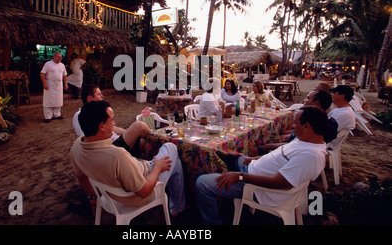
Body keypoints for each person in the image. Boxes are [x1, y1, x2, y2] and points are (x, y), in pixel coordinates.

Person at [195, 106, 328, 225]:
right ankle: (218, 194)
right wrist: (257, 158)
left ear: (307, 126)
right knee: (224, 154)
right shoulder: (307, 141)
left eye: (296, 123)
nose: (293, 126)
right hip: (252, 167)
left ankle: (211, 221)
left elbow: (279, 183)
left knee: (202, 183)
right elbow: (283, 154)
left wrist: (240, 176)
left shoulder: (310, 156)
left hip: (258, 189)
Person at [70, 100, 186, 217]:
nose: (114, 123)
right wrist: (157, 168)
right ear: (102, 126)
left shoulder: (77, 147)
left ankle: (178, 206)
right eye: (112, 120)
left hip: (112, 194)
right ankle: (178, 206)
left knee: (175, 162)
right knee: (170, 147)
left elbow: (81, 176)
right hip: (138, 194)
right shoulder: (117, 156)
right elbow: (144, 191)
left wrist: (92, 197)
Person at [72, 84, 147, 158]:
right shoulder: (81, 115)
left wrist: (129, 133)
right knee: (139, 126)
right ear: (90, 98)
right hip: (111, 147)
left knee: (144, 141)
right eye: (99, 94)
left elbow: (114, 128)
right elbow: (88, 139)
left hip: (117, 140)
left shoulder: (97, 111)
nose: (102, 96)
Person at [260, 89, 339, 153]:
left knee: (265, 142)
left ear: (316, 102)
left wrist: (269, 146)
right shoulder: (326, 120)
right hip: (295, 147)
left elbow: (297, 145)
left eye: (308, 98)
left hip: (292, 151)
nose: (305, 101)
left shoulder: (317, 124)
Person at [40, 52, 68, 123]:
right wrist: (44, 84)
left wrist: (66, 84)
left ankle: (57, 114)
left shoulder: (62, 65)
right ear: (54, 57)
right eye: (58, 57)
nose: (60, 59)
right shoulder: (48, 64)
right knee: (48, 101)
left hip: (59, 85)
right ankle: (48, 116)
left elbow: (65, 75)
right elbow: (42, 74)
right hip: (50, 84)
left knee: (58, 100)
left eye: (61, 57)